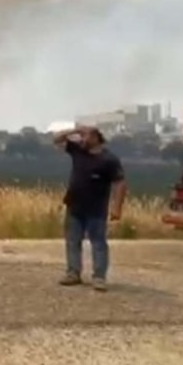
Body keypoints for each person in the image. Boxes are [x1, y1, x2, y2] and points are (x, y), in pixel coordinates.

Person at [52, 125, 127, 291]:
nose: (81, 139)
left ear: (95, 137)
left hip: (96, 209)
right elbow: (56, 139)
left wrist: (117, 208)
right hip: (74, 206)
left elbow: (120, 183)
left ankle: (99, 277)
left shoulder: (109, 160)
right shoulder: (78, 151)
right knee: (72, 241)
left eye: (84, 135)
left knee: (98, 243)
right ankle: (73, 273)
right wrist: (75, 129)